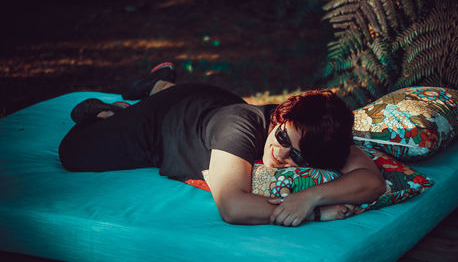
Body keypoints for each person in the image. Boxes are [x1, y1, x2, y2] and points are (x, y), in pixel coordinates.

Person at [59, 62, 385, 227]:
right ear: (280, 117)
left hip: (208, 103)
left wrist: (311, 194)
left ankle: (159, 84)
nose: (280, 153)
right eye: (282, 138)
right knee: (73, 153)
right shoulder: (239, 127)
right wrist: (315, 212)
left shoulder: (320, 135)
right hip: (160, 127)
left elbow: (372, 181)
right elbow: (233, 206)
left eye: (297, 154)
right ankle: (110, 111)